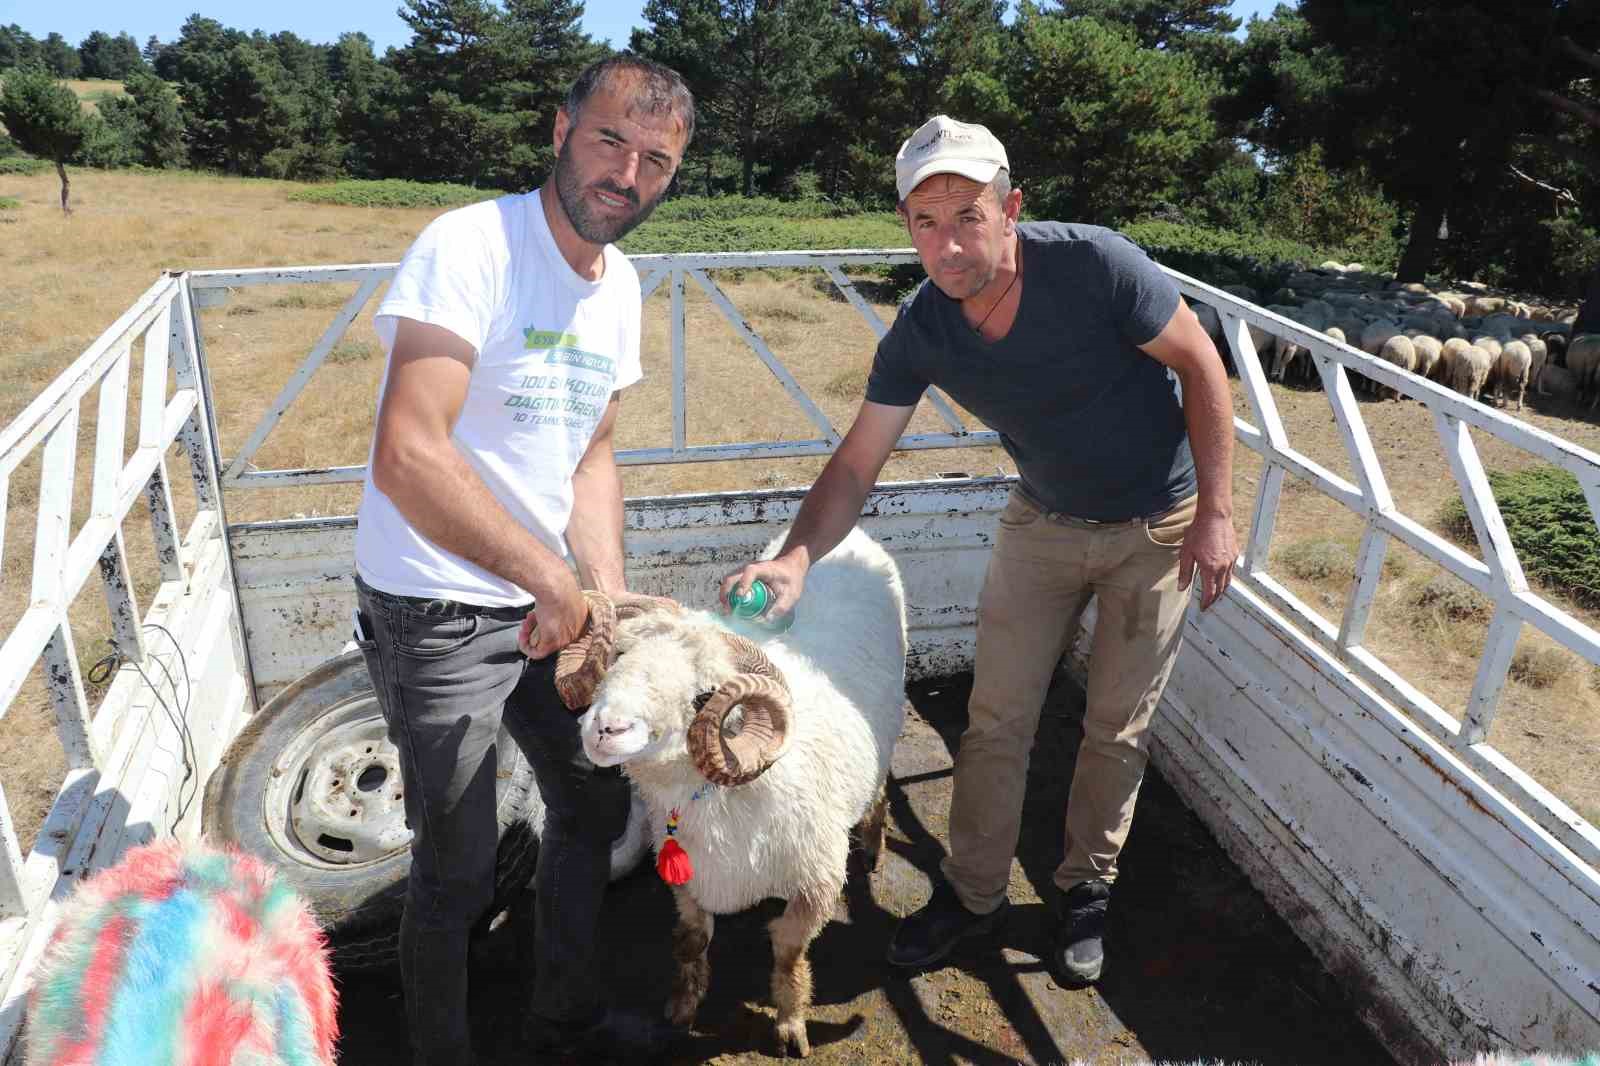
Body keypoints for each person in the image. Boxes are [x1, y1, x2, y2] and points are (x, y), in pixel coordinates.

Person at [719, 115, 1236, 988]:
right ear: (907, 228)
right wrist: (797, 559)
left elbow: (1203, 367)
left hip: (1160, 526)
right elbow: (856, 461)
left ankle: (1084, 891)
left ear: (1011, 208)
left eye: (968, 214)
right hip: (1041, 521)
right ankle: (972, 894)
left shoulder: (1096, 265)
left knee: (1117, 725)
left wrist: (1218, 509)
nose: (948, 242)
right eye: (925, 221)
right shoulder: (925, 327)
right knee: (996, 718)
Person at [349, 56, 693, 1065]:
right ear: (559, 130)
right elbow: (410, 450)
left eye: (655, 161)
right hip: (436, 603)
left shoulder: (620, 283)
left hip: (551, 603)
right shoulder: (470, 244)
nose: (626, 175)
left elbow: (589, 453)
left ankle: (565, 1018)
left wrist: (607, 589)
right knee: (454, 869)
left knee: (589, 802)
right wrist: (552, 580)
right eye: (608, 142)